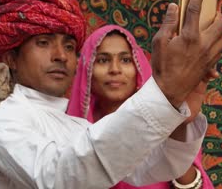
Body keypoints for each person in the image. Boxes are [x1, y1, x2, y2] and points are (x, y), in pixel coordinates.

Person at [0, 0, 222, 188]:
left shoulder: (78, 125)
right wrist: (164, 94)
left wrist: (179, 120)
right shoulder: (0, 123)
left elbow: (152, 167)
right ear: (11, 58)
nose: (61, 55)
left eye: (69, 46)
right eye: (44, 43)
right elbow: (60, 177)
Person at [67, 24, 214, 189]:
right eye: (103, 60)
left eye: (125, 60)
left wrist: (176, 135)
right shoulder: (68, 132)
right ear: (87, 69)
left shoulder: (162, 124)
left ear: (138, 67)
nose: (115, 69)